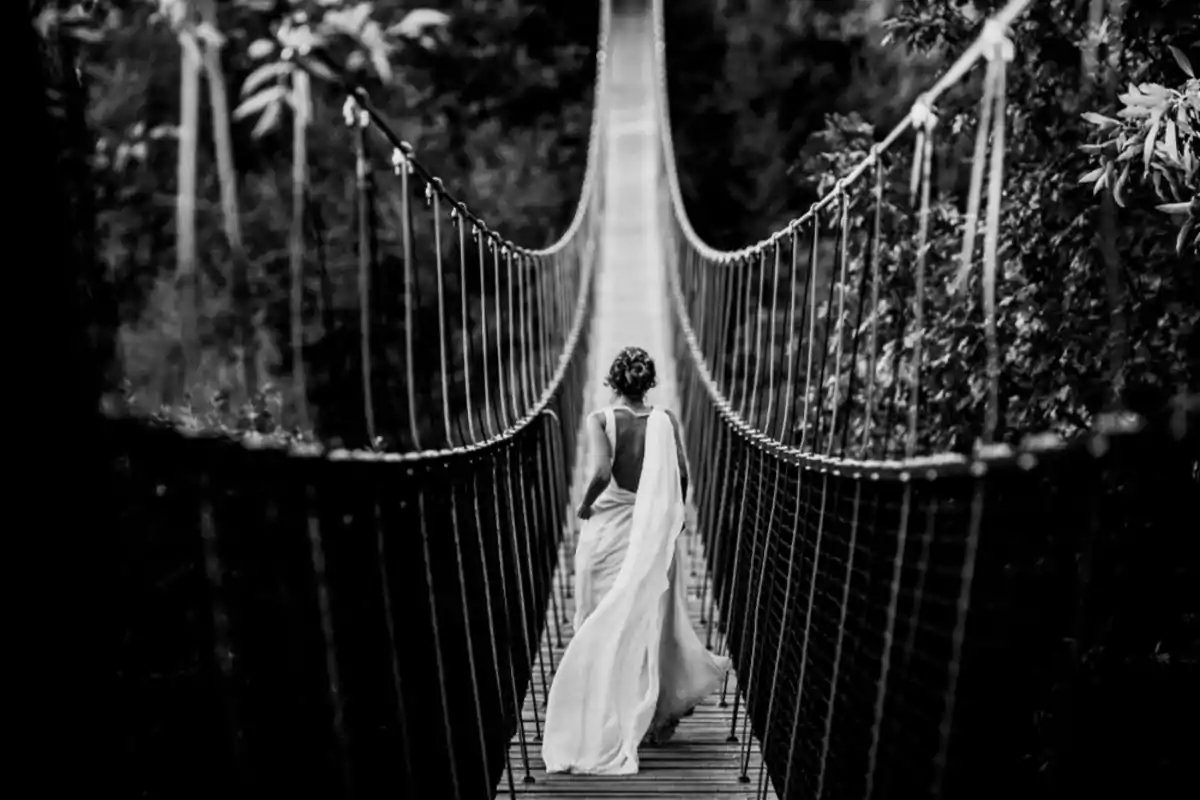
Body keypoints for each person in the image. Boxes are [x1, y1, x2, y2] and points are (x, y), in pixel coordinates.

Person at [541, 347, 731, 775]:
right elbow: (681, 475)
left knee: (603, 618)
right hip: (651, 533)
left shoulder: (600, 420)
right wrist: (671, 519)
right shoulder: (665, 421)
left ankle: (611, 709)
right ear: (649, 382)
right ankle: (653, 710)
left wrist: (585, 507)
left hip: (611, 532)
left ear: (612, 382)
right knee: (649, 620)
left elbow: (602, 473)